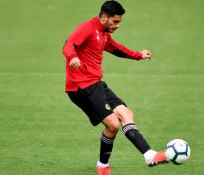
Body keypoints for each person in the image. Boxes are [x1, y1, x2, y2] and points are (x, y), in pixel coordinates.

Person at [62, 1, 167, 174]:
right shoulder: (87, 28)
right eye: (115, 22)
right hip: (81, 87)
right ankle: (103, 166)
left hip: (96, 84)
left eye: (119, 22)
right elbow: (68, 44)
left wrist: (138, 55)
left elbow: (116, 49)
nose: (118, 25)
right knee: (113, 124)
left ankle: (149, 155)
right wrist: (73, 57)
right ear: (104, 17)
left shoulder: (103, 33)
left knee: (126, 114)